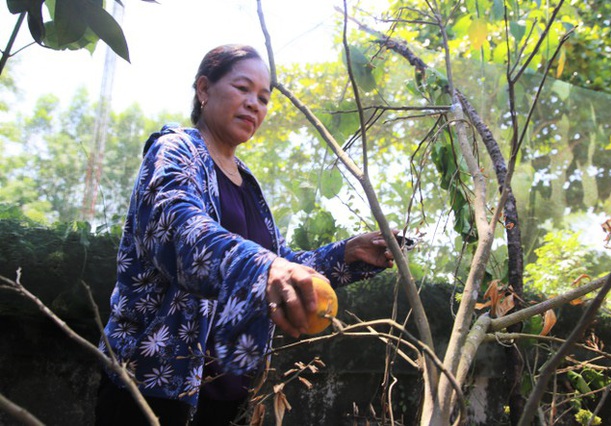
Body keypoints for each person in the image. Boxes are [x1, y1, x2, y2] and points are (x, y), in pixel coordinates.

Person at [94, 44, 394, 426]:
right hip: (155, 388)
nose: (255, 103)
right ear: (204, 89)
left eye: (264, 98)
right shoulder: (175, 152)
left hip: (230, 392)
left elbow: (281, 262)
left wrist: (348, 254)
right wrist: (267, 268)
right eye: (242, 88)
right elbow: (184, 237)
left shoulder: (247, 183)